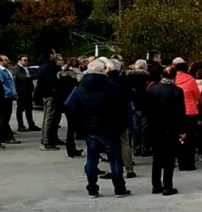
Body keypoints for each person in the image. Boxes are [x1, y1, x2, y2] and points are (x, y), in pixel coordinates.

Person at [67, 59, 130, 197]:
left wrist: (80, 126)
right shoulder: (112, 87)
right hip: (110, 127)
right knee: (114, 159)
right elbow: (121, 108)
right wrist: (121, 125)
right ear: (102, 70)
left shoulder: (81, 87)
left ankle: (92, 188)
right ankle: (119, 188)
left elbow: (74, 109)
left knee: (92, 158)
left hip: (90, 128)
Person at [146, 66, 186, 196]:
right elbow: (180, 112)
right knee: (169, 158)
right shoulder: (177, 91)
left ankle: (156, 185)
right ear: (174, 77)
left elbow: (148, 111)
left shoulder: (152, 90)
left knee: (157, 158)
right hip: (171, 128)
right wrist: (182, 130)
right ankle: (168, 186)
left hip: (155, 127)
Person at [173, 58, 201, 171]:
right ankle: (189, 163)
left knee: (179, 137)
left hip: (176, 112)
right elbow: (197, 96)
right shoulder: (190, 79)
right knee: (190, 138)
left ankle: (181, 161)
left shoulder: (173, 79)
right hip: (190, 111)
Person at [55, 58, 83, 158]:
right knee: (73, 127)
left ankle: (70, 148)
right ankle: (72, 148)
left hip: (64, 103)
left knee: (70, 128)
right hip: (74, 103)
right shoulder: (77, 77)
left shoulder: (61, 76)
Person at [38, 51, 64, 151]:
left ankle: (51, 139)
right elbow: (54, 81)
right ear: (51, 55)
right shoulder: (49, 67)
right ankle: (46, 142)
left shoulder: (45, 66)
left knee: (52, 118)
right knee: (50, 118)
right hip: (51, 95)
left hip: (49, 94)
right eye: (54, 53)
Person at [127, 59, 151, 157]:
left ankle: (136, 147)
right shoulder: (147, 77)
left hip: (133, 103)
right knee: (145, 126)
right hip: (144, 102)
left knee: (136, 126)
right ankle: (145, 147)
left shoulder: (128, 76)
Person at [11, 55, 39, 132]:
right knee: (20, 109)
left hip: (28, 91)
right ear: (19, 61)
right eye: (25, 60)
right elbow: (22, 77)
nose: (26, 62)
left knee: (29, 109)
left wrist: (29, 76)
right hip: (21, 91)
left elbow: (35, 75)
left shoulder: (27, 68)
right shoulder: (16, 68)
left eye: (27, 60)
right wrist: (28, 76)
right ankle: (20, 125)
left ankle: (31, 124)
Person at [0, 55, 19, 144]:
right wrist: (7, 93)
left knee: (6, 117)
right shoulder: (0, 71)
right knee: (4, 117)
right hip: (4, 97)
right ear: (0, 61)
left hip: (9, 96)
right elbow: (2, 85)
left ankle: (5, 137)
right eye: (6, 60)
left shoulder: (7, 70)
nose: (8, 62)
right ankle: (7, 137)